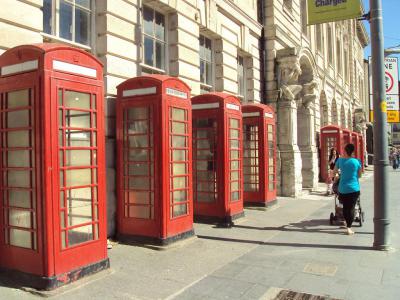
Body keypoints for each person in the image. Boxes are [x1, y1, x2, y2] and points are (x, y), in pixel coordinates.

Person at [333, 143, 362, 235]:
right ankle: (349, 227)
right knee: (352, 208)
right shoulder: (357, 161)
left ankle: (347, 224)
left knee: (345, 207)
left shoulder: (340, 161)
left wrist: (339, 176)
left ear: (345, 151)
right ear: (352, 152)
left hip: (343, 188)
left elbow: (334, 172)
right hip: (354, 188)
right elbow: (360, 175)